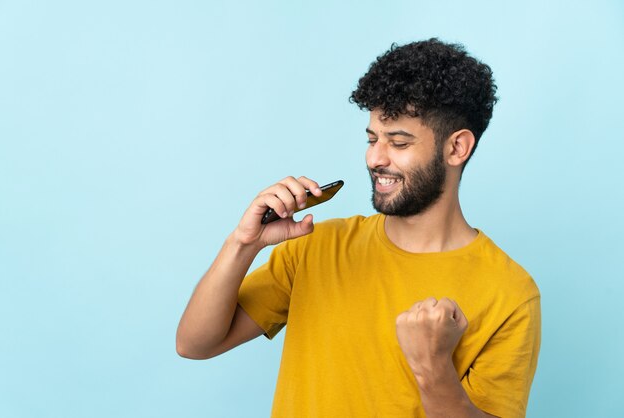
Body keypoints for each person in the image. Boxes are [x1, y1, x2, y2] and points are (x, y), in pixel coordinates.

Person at [176, 38, 541, 418]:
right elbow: (194, 344)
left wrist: (432, 367)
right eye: (372, 139)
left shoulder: (510, 293)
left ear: (457, 148)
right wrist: (243, 244)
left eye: (398, 142)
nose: (374, 158)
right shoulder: (316, 246)